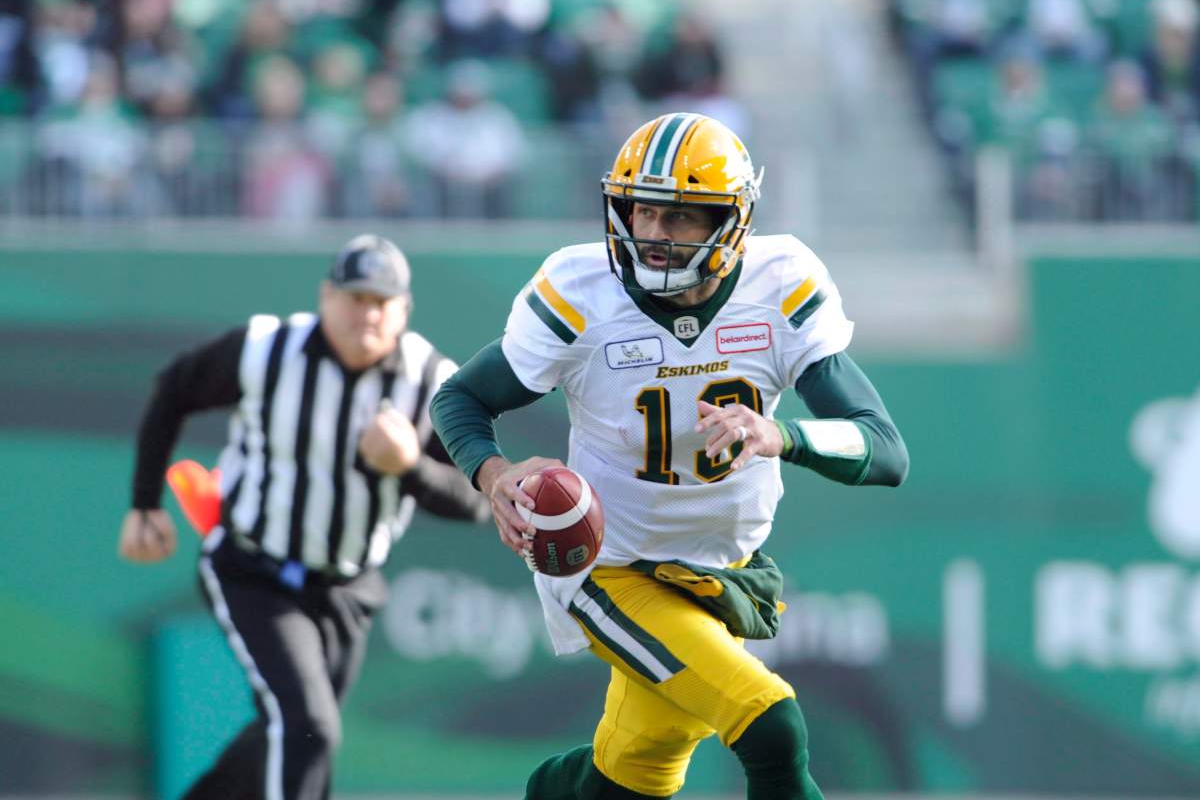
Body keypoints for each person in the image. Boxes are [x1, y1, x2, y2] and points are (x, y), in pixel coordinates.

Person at [430, 113, 909, 799]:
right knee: (772, 722)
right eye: (643, 210)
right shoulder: (580, 290)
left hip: (717, 571)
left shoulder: (780, 282)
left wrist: (784, 435)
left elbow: (885, 448)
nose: (654, 235)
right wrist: (494, 472)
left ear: (732, 221)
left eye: (682, 216)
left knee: (636, 774)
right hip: (607, 567)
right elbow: (460, 399)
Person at [118, 234, 489, 800]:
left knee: (291, 732)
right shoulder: (268, 348)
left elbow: (477, 503)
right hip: (253, 566)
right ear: (326, 296)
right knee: (306, 728)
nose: (366, 312)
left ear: (404, 310)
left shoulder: (433, 381)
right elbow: (174, 388)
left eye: (381, 301)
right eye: (354, 296)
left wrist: (410, 465)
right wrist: (144, 502)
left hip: (348, 588)